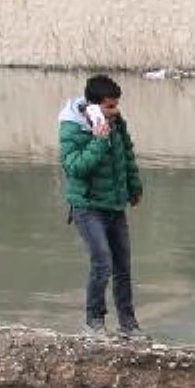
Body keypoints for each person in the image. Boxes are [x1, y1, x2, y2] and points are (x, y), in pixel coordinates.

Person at [58, 73, 145, 338]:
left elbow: (126, 154)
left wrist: (134, 186)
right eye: (109, 106)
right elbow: (75, 168)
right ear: (93, 105)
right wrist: (98, 141)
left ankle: (128, 324)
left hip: (115, 206)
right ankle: (93, 322)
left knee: (123, 266)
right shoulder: (72, 128)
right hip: (87, 207)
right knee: (102, 262)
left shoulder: (117, 123)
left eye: (116, 105)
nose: (115, 111)